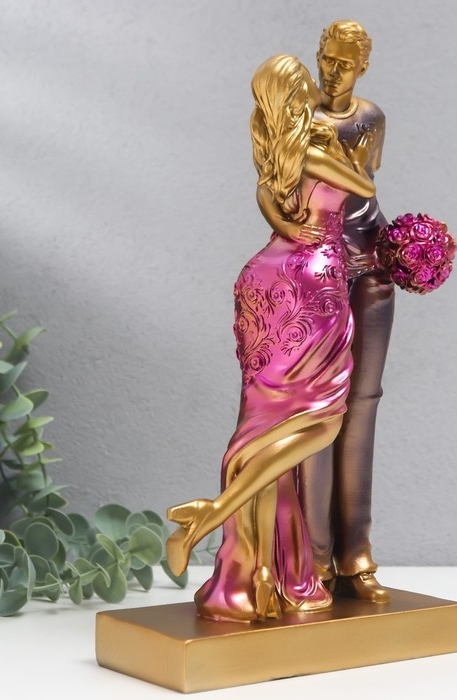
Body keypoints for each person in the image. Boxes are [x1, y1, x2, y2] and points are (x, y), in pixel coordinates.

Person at [165, 54, 376, 622]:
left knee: (264, 425)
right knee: (323, 420)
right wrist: (348, 151)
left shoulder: (273, 155)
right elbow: (362, 187)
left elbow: (270, 204)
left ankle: (256, 571)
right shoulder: (314, 152)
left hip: (265, 278)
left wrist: (285, 222)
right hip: (313, 284)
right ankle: (211, 516)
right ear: (299, 97)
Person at [296, 19, 395, 603]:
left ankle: (356, 553)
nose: (332, 72)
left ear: (362, 67)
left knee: (364, 406)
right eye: (326, 60)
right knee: (319, 413)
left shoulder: (371, 117)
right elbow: (287, 197)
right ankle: (314, 559)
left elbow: (367, 190)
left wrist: (403, 249)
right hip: (318, 275)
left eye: (344, 64)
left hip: (371, 272)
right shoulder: (298, 117)